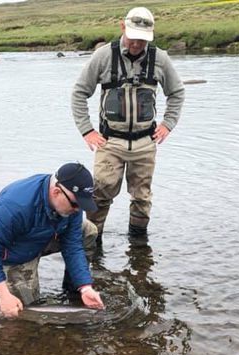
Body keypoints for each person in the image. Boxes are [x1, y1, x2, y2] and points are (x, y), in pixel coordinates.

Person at [71, 6, 185, 243]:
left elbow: (177, 93)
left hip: (145, 143)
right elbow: (79, 93)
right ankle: (92, 244)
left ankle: (139, 247)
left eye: (143, 40)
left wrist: (168, 123)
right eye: (134, 38)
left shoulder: (160, 58)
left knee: (142, 198)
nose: (137, 44)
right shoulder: (103, 56)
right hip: (109, 142)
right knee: (99, 195)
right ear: (123, 27)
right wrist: (87, 130)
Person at [0, 162, 105, 317]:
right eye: (75, 204)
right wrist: (3, 296)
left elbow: (72, 245)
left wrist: (85, 287)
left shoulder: (72, 205)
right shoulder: (13, 206)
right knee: (22, 310)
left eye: (81, 205)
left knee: (88, 230)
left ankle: (73, 290)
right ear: (56, 192)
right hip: (16, 253)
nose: (77, 210)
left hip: (44, 236)